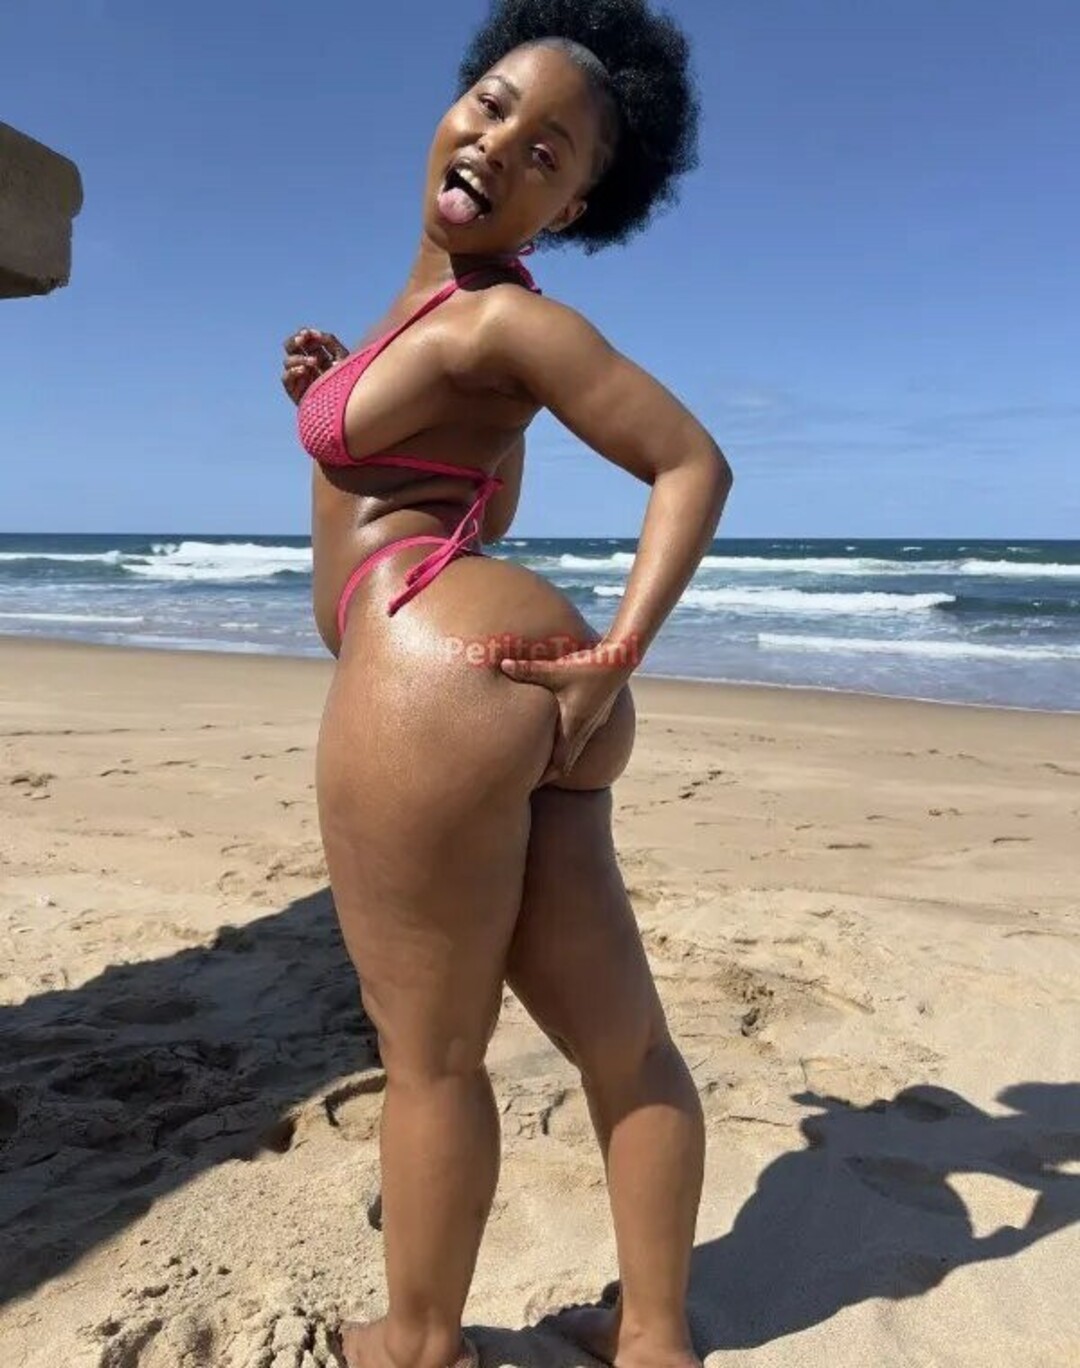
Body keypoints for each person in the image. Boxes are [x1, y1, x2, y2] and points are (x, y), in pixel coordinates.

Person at [280, 3, 732, 1364]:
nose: (498, 142)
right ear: (454, 101)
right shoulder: (445, 318)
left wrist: (622, 648)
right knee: (625, 1044)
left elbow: (691, 464)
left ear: (571, 206)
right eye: (492, 103)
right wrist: (332, 395)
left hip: (431, 668)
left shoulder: (508, 323)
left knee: (431, 1057)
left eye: (547, 153)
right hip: (519, 684)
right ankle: (652, 1335)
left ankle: (418, 1341)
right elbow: (475, 482)